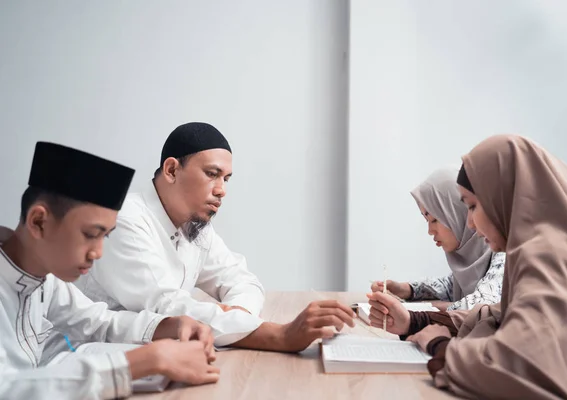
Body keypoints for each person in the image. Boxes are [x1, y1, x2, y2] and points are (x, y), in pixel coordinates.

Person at [74, 122, 356, 351]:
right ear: (172, 170)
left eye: (227, 179)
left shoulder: (195, 226)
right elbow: (167, 308)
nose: (222, 190)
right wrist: (279, 336)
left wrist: (239, 313)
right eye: (212, 174)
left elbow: (241, 279)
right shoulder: (125, 221)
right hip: (91, 363)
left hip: (150, 360)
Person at [368, 135, 567, 399]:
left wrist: (438, 346)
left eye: (473, 206)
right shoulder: (535, 247)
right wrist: (416, 321)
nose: (469, 224)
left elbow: (511, 368)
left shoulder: (546, 255)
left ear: (504, 197)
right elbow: (499, 316)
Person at [0, 142, 219, 399]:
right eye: (91, 235)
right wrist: (142, 362)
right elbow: (7, 388)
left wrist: (171, 325)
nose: (98, 252)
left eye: (105, 236)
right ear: (39, 222)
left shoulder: (41, 276)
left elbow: (96, 321)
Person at [371, 167, 505, 311]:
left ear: (457, 212)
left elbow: (481, 305)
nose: (430, 231)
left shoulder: (503, 250)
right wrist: (406, 289)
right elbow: (451, 286)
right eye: (426, 220)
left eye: (434, 220)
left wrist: (420, 310)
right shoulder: (473, 258)